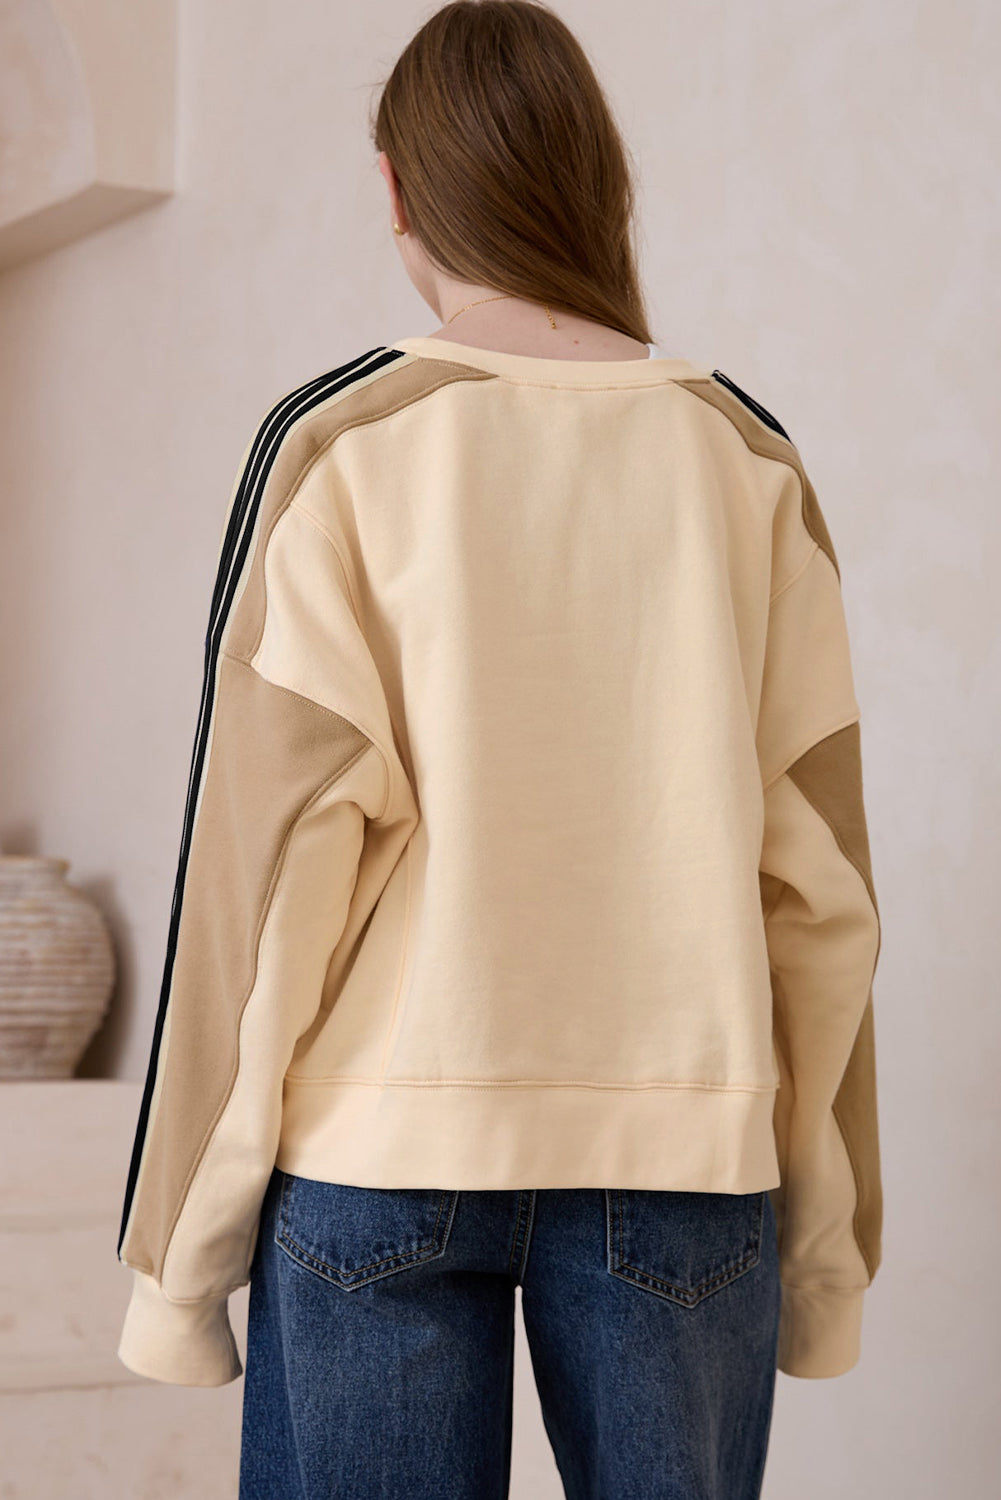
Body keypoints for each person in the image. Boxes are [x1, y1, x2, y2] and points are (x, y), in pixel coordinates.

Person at [114, 2, 883, 1497]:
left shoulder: (340, 445)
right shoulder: (744, 460)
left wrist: (176, 1266)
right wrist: (826, 1260)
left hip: (377, 1151)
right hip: (685, 1165)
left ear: (396, 189)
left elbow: (258, 890)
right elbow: (824, 896)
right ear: (600, 184)